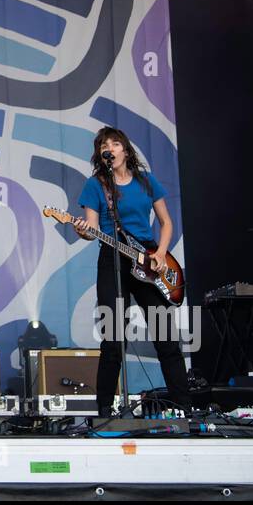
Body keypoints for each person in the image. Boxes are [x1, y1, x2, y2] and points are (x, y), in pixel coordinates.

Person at [68, 126, 192, 417]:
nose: (108, 148)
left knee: (166, 337)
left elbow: (167, 222)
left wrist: (161, 253)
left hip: (150, 259)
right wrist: (83, 231)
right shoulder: (95, 185)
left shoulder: (146, 181)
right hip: (113, 258)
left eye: (114, 143)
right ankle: (104, 410)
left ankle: (185, 407)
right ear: (101, 154)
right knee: (113, 338)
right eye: (102, 145)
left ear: (125, 149)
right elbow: (93, 229)